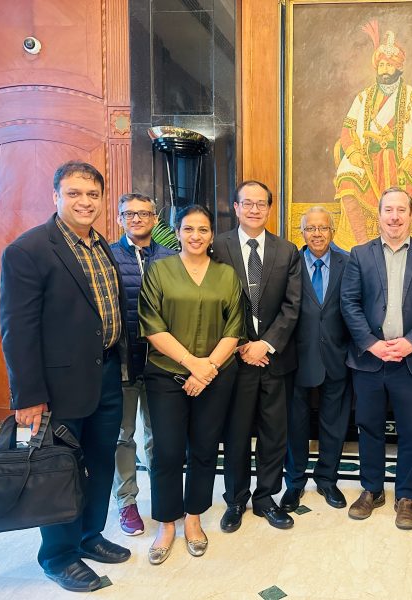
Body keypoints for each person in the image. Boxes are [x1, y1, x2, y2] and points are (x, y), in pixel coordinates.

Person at [0, 161, 131, 592]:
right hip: (56, 389)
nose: (85, 202)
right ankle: (58, 556)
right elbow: (17, 330)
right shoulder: (29, 250)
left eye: (92, 195)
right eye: (74, 193)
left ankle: (89, 536)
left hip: (107, 374)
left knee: (99, 463)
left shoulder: (101, 246)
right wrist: (28, 395)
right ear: (55, 197)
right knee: (60, 471)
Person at [138, 205, 243, 565]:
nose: (195, 236)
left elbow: (235, 328)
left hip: (215, 376)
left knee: (203, 449)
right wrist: (192, 365)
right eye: (188, 229)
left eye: (203, 229)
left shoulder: (226, 275)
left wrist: (207, 368)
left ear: (212, 235)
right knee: (166, 451)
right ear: (178, 232)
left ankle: (194, 518)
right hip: (167, 373)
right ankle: (167, 523)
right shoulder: (159, 270)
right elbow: (151, 324)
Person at [340, 187, 412, 530]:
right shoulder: (360, 254)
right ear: (380, 214)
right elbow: (349, 303)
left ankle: (405, 496)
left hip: (411, 362)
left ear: (411, 214)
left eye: (402, 209)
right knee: (368, 428)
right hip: (370, 361)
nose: (395, 216)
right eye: (389, 209)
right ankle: (371, 490)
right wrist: (371, 343)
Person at [212, 181, 302, 532]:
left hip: (276, 360)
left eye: (260, 204)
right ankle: (235, 499)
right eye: (246, 203)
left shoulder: (287, 250)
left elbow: (293, 305)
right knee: (235, 434)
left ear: (269, 208)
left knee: (273, 433)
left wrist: (265, 344)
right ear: (235, 207)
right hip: (233, 359)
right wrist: (240, 345)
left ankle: (266, 498)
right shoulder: (217, 246)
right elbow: (211, 301)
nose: (253, 209)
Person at [333, 22, 412, 249]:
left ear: (398, 67)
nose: (384, 69)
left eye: (389, 65)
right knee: (346, 177)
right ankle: (363, 244)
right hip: (367, 157)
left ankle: (401, 237)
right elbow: (347, 130)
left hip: (403, 156)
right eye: (381, 64)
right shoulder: (363, 97)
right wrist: (354, 153)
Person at [110, 193, 176, 536]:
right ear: (120, 218)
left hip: (162, 363)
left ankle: (163, 498)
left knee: (159, 435)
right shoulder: (108, 255)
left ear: (154, 218)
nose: (137, 219)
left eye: (144, 213)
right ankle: (127, 503)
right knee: (124, 436)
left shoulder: (171, 257)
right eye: (129, 214)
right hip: (122, 361)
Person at [281, 207, 351, 512]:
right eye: (311, 229)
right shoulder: (288, 263)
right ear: (302, 233)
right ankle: (294, 483)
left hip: (337, 356)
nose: (317, 234)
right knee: (294, 424)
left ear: (333, 232)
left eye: (323, 228)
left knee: (333, 424)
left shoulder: (348, 263)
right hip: (295, 357)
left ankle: (327, 480)